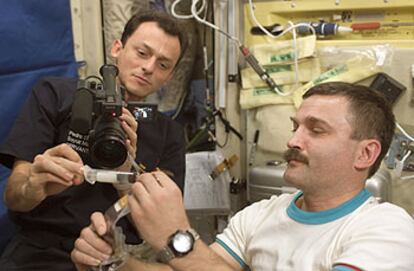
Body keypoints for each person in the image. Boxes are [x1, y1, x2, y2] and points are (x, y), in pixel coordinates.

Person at [72, 82, 414, 271]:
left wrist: (178, 237)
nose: (293, 140)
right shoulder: (260, 214)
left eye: (316, 130)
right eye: (296, 127)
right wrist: (117, 262)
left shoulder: (388, 230)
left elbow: (194, 262)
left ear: (365, 154)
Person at [0, 10, 187, 270]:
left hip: (116, 257)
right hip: (42, 251)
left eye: (163, 64)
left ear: (169, 76)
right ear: (117, 48)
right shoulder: (55, 95)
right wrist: (34, 185)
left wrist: (126, 172)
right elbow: (13, 196)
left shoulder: (170, 135)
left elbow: (160, 230)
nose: (148, 67)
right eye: (142, 53)